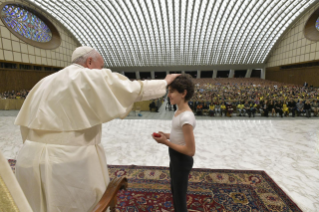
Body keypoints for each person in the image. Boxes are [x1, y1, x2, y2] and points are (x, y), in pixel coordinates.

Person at [14, 46, 180, 212]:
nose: (101, 70)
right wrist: (165, 82)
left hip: (27, 159)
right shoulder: (85, 75)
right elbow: (132, 90)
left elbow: (25, 125)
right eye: (101, 66)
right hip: (67, 163)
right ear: (89, 61)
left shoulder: (43, 82)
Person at [152, 74, 195, 212]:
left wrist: (166, 142)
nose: (168, 95)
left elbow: (190, 150)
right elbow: (180, 135)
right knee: (175, 190)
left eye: (171, 91)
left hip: (182, 159)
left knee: (179, 195)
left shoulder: (186, 117)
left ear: (183, 93)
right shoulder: (179, 111)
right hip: (176, 157)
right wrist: (168, 136)